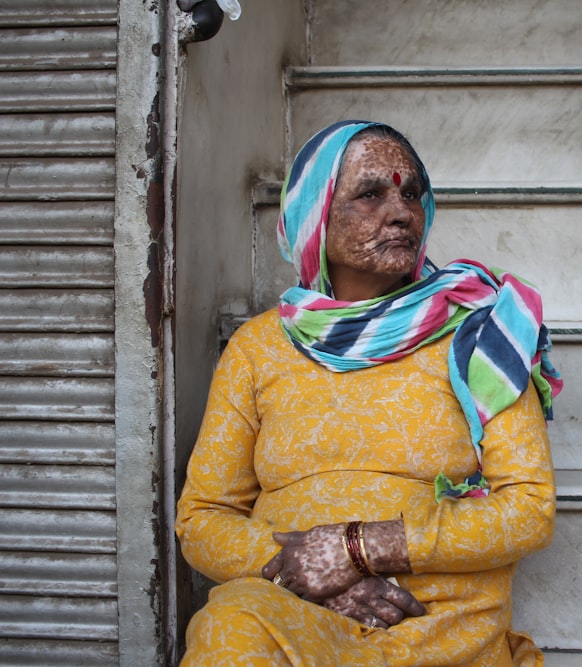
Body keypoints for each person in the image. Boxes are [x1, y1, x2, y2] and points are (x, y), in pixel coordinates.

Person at [175, 120, 562, 666]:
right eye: (370, 194)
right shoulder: (259, 348)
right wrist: (311, 571)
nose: (401, 211)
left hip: (433, 620)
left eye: (410, 194)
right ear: (314, 215)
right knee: (228, 632)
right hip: (296, 604)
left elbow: (528, 510)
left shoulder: (482, 332)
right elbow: (203, 517)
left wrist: (358, 547)